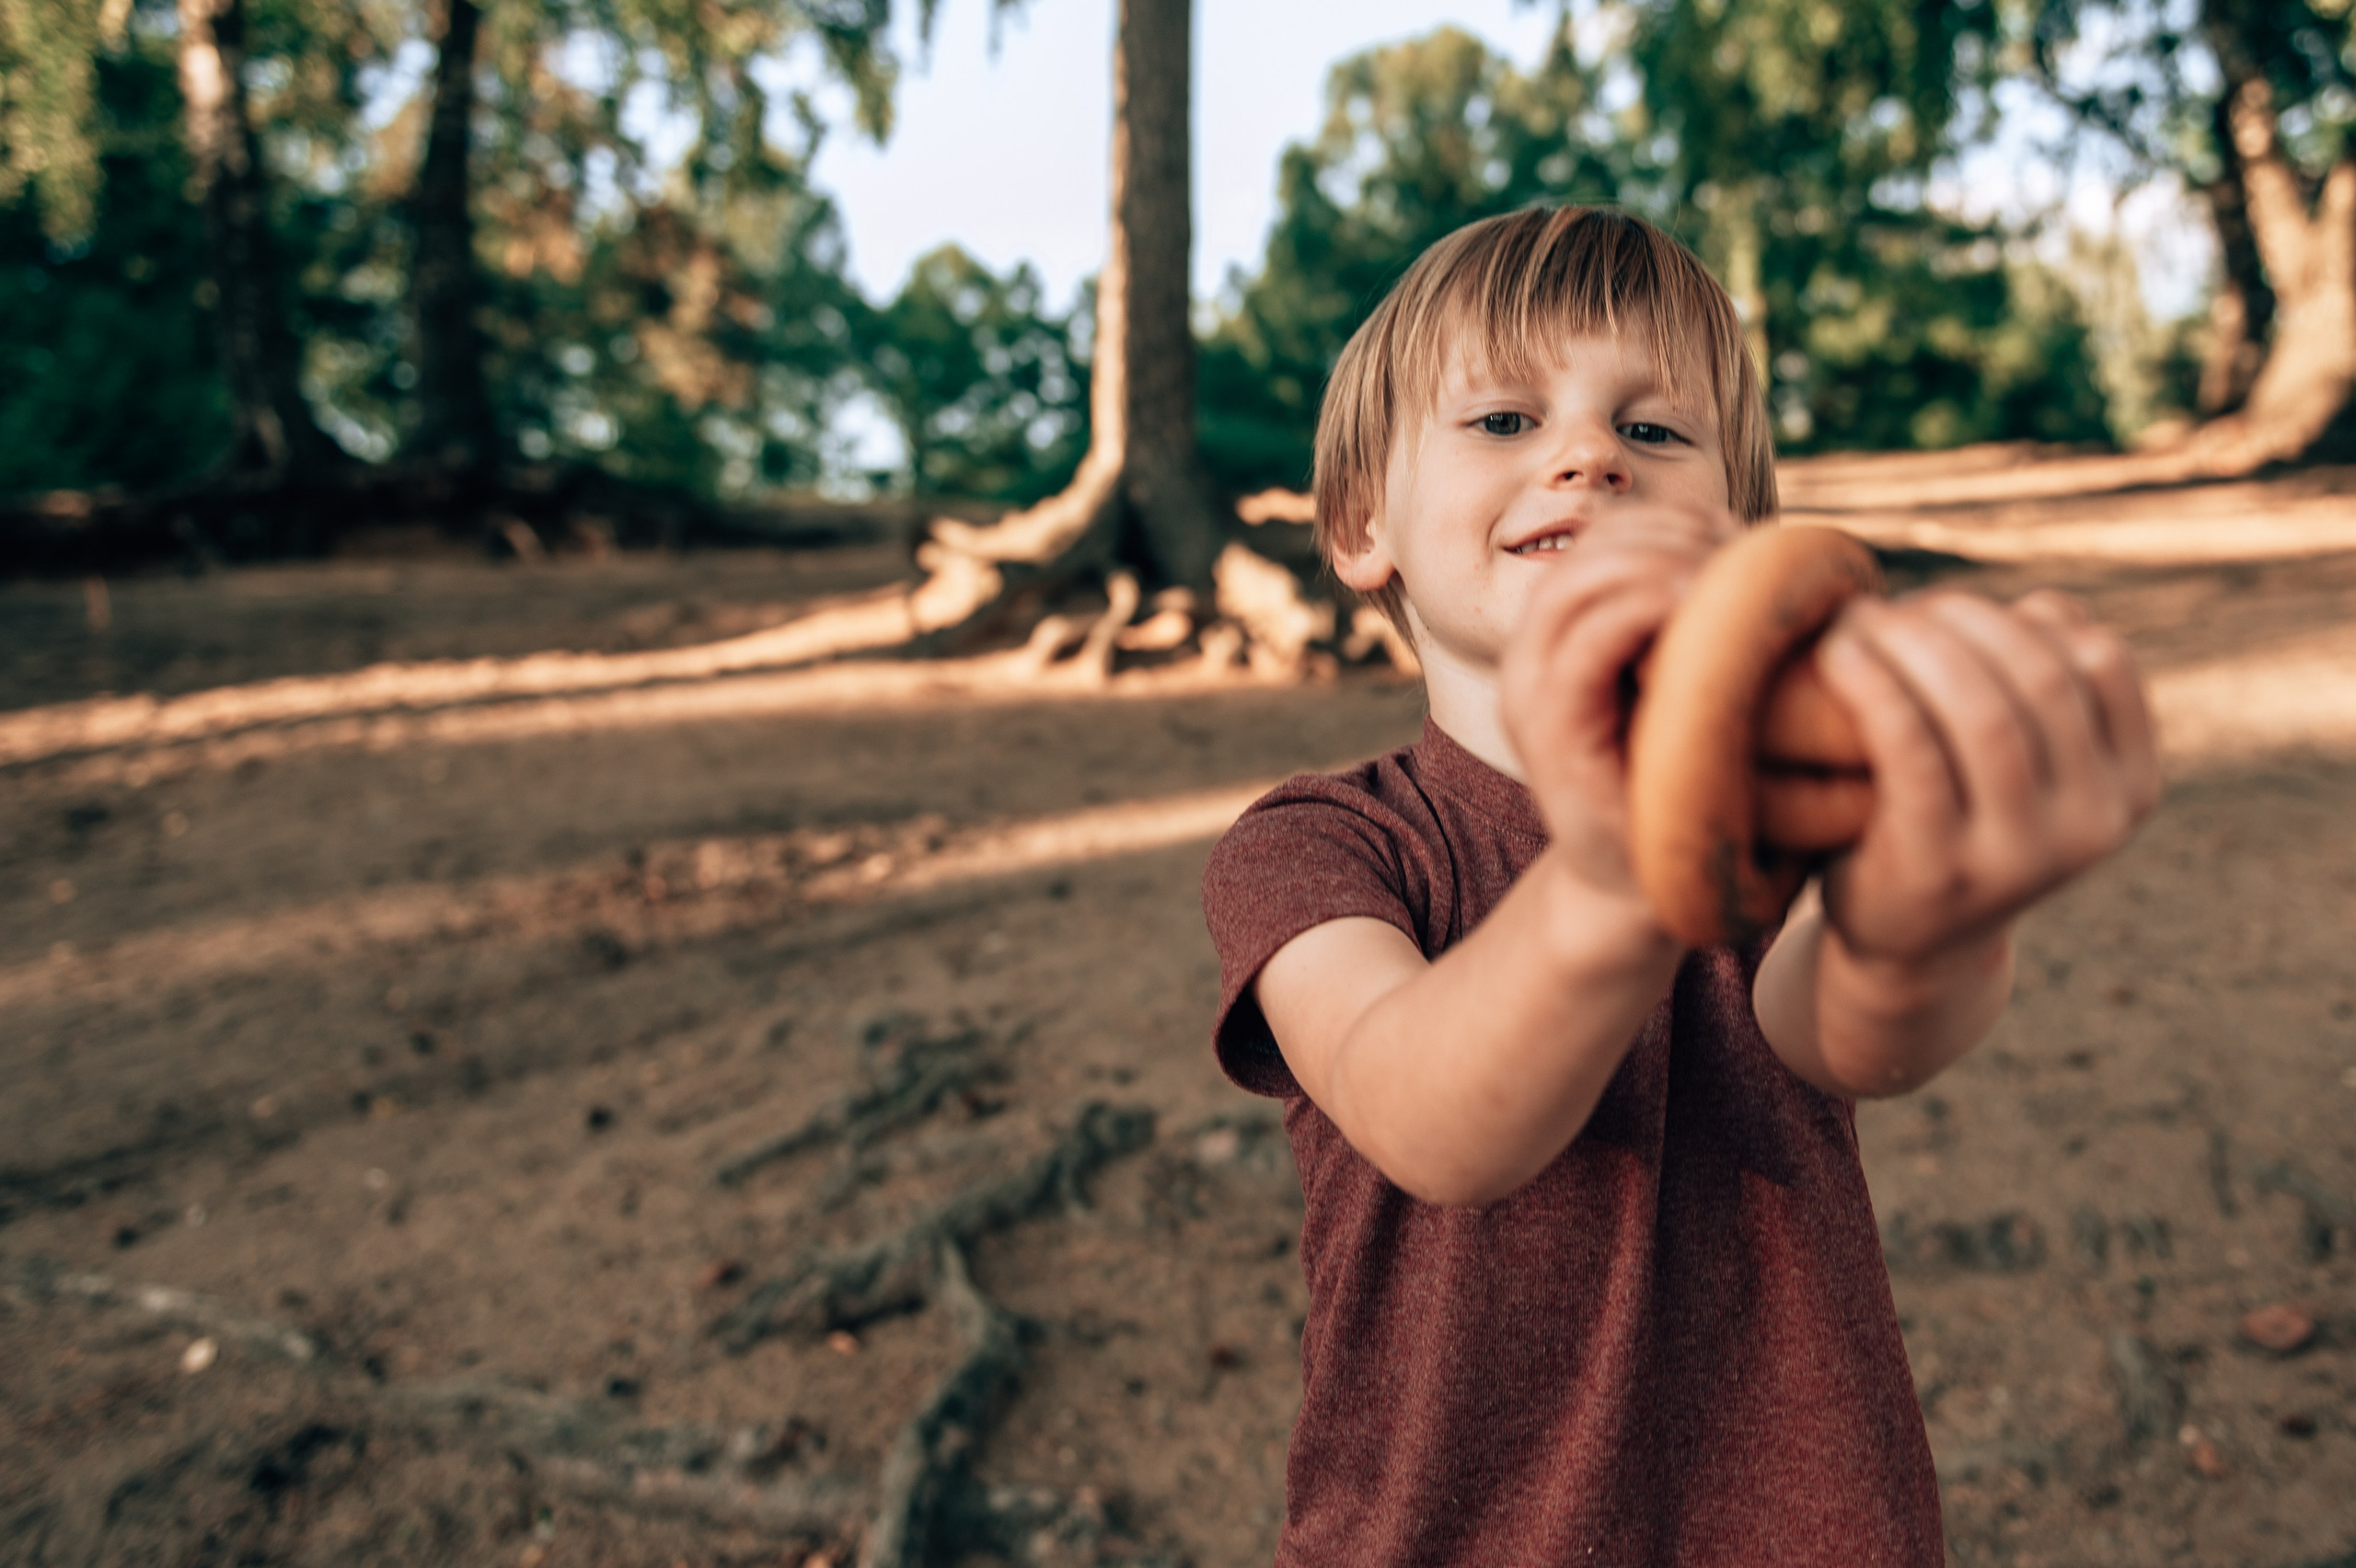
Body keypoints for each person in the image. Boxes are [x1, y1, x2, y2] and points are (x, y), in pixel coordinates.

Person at [1198, 206, 2162, 1565]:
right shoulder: (1319, 846)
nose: (1588, 454)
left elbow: (1849, 1037)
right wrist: (1629, 867)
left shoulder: (1797, 799)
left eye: (1654, 433)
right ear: (1363, 522)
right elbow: (1430, 1119)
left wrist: (1933, 907)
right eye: (1502, 422)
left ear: (1740, 537)